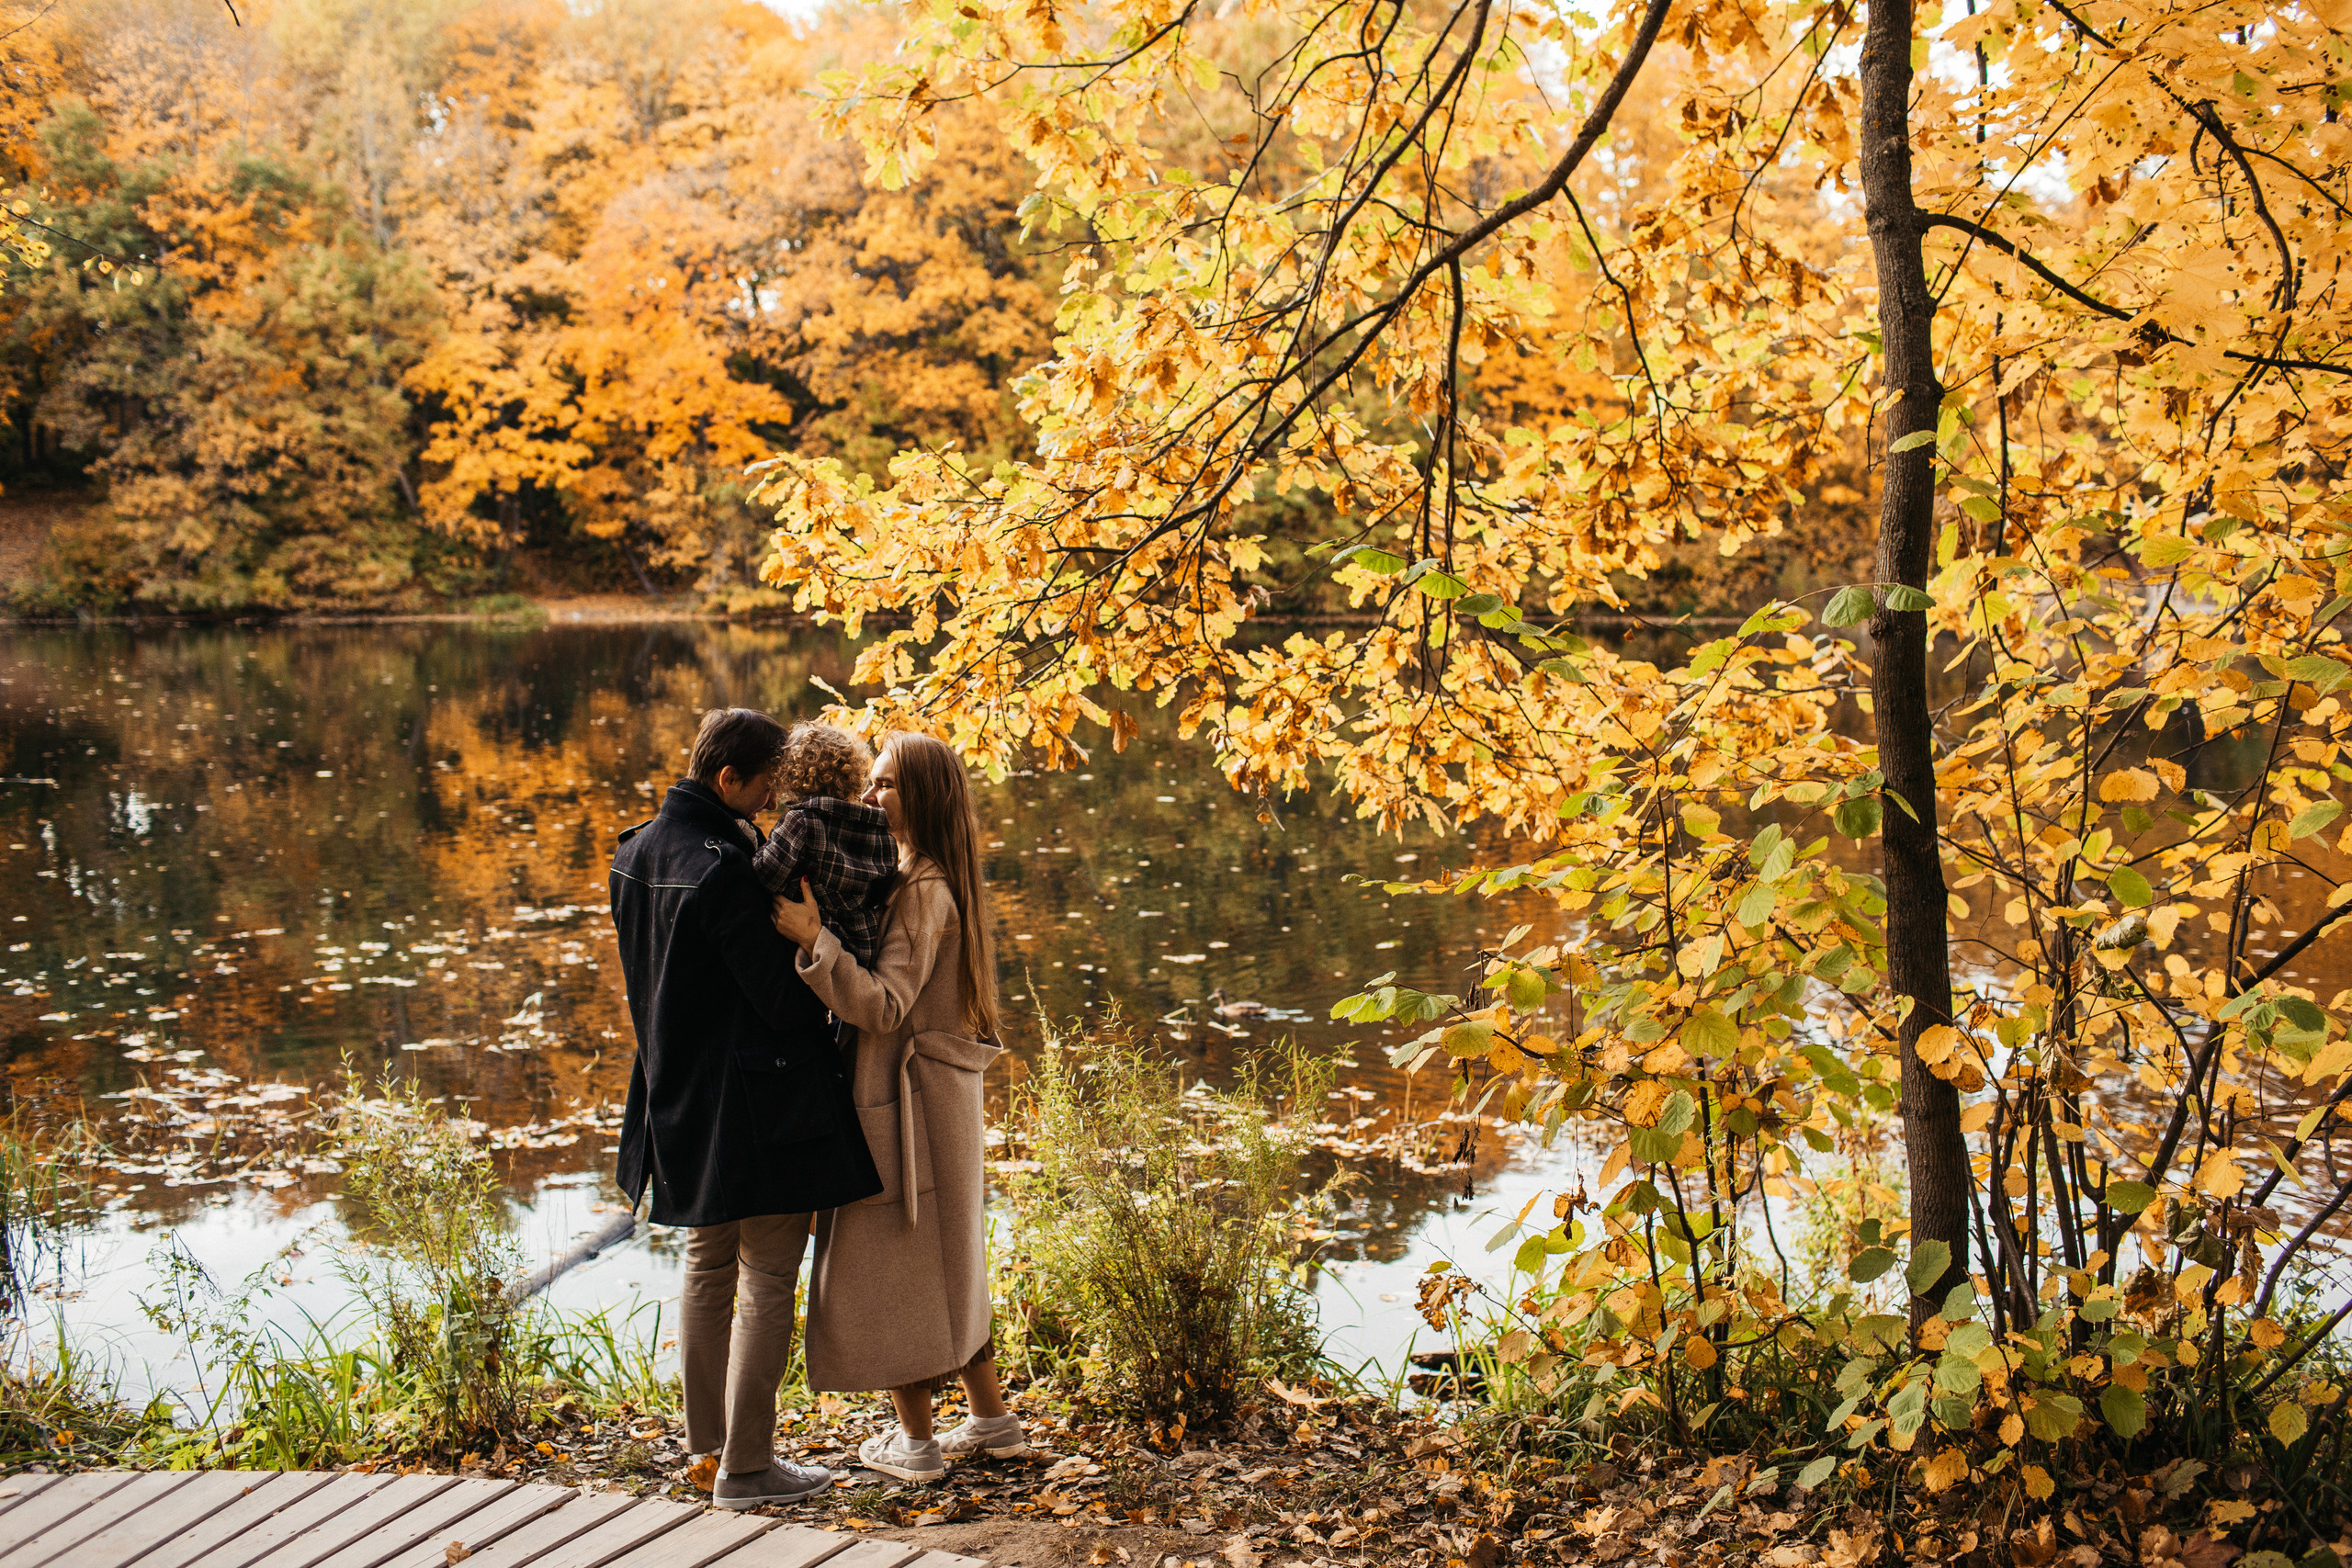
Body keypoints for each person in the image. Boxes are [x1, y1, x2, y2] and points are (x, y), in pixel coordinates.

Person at [609, 706, 882, 1510]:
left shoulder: (635, 853)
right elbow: (782, 999)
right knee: (767, 1275)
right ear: (727, 777)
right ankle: (749, 1466)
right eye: (763, 789)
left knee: (705, 1267)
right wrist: (819, 942)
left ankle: (707, 1452)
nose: (769, 807)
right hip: (758, 1108)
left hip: (676, 1094)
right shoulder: (726, 863)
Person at [771, 732, 1026, 1482]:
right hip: (936, 1100)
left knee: (886, 1267)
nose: (869, 797)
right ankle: (991, 1421)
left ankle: (916, 1445)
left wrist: (816, 940)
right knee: (949, 1263)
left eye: (885, 786)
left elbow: (884, 1006)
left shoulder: (921, 888)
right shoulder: (934, 873)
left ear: (923, 795)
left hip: (903, 1104)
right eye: (871, 783)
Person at [752, 723, 899, 965]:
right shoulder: (882, 831)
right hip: (863, 947)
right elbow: (883, 890)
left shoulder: (800, 822)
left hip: (815, 944)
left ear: (791, 776)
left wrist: (751, 843)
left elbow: (766, 877)